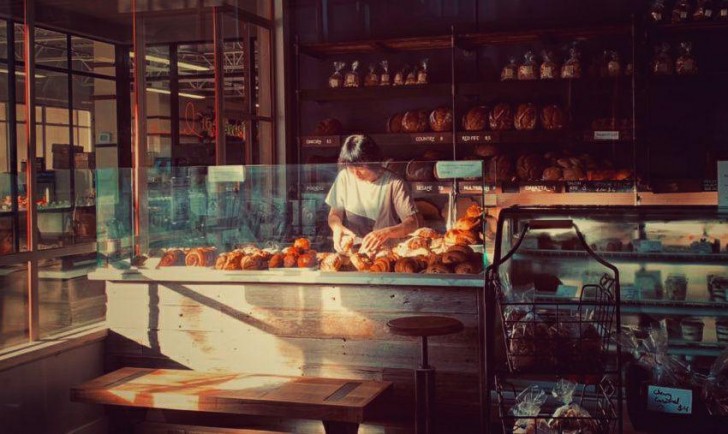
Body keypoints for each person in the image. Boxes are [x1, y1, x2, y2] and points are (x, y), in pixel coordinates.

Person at [326, 135, 423, 253]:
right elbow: (334, 214)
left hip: (386, 254)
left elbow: (412, 223)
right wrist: (337, 228)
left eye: (360, 167)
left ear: (373, 161)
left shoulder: (394, 183)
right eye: (351, 168)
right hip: (353, 254)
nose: (356, 174)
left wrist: (386, 233)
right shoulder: (344, 177)